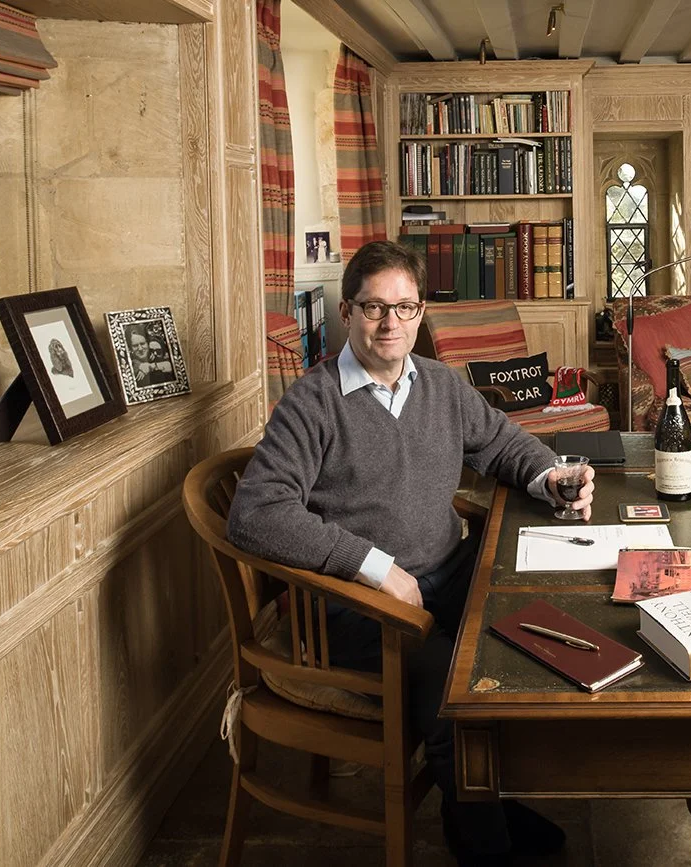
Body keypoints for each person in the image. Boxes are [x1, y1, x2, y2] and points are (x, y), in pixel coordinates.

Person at [227, 240, 594, 866]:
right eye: (374, 307)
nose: (390, 323)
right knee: (456, 689)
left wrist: (551, 477)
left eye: (405, 307)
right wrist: (373, 568)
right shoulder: (312, 402)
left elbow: (504, 444)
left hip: (444, 576)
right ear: (347, 312)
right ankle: (482, 843)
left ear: (421, 312)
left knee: (535, 623)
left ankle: (483, 798)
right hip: (354, 610)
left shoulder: (440, 385)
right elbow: (256, 514)